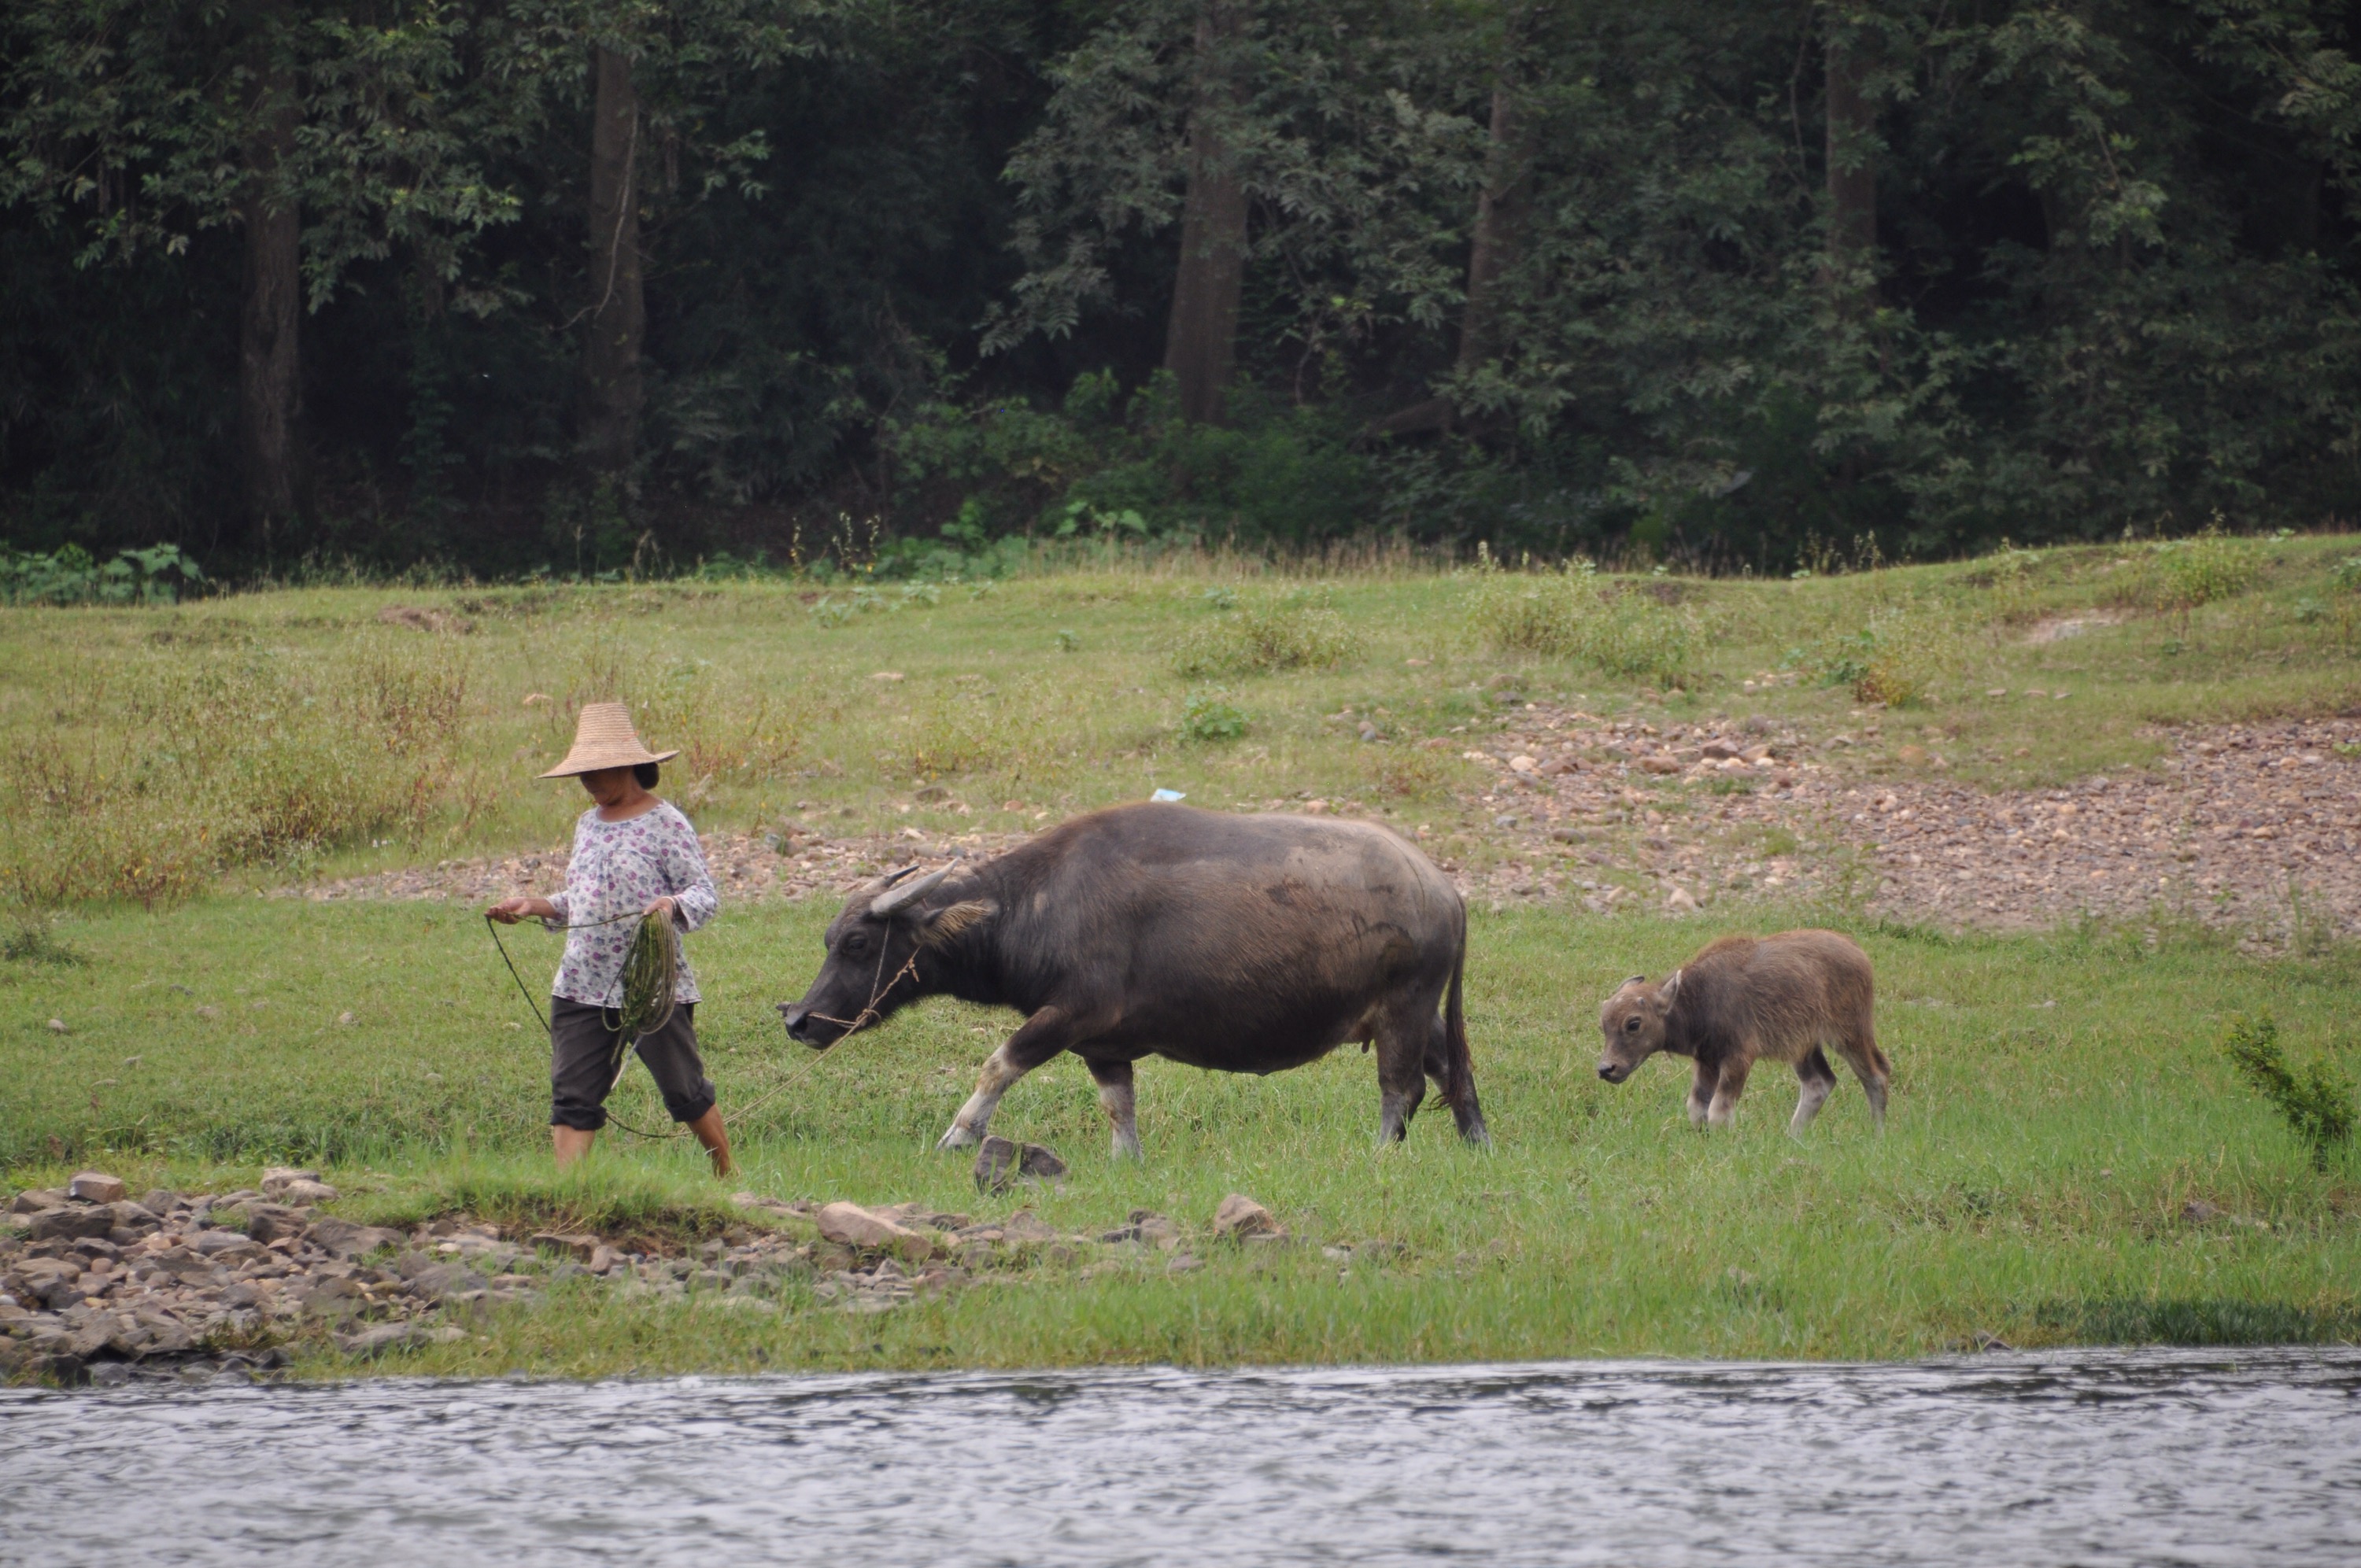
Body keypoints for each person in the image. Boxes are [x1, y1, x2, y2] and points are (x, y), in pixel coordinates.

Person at [488, 702, 733, 1176]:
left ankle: (727, 1175)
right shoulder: (587, 825)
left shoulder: (666, 822)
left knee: (683, 1089)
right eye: (582, 774)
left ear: (627, 765)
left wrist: (670, 905)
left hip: (652, 983)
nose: (588, 781)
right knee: (573, 1095)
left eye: (596, 771)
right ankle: (569, 1194)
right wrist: (534, 905)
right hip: (581, 982)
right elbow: (582, 899)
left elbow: (704, 894)